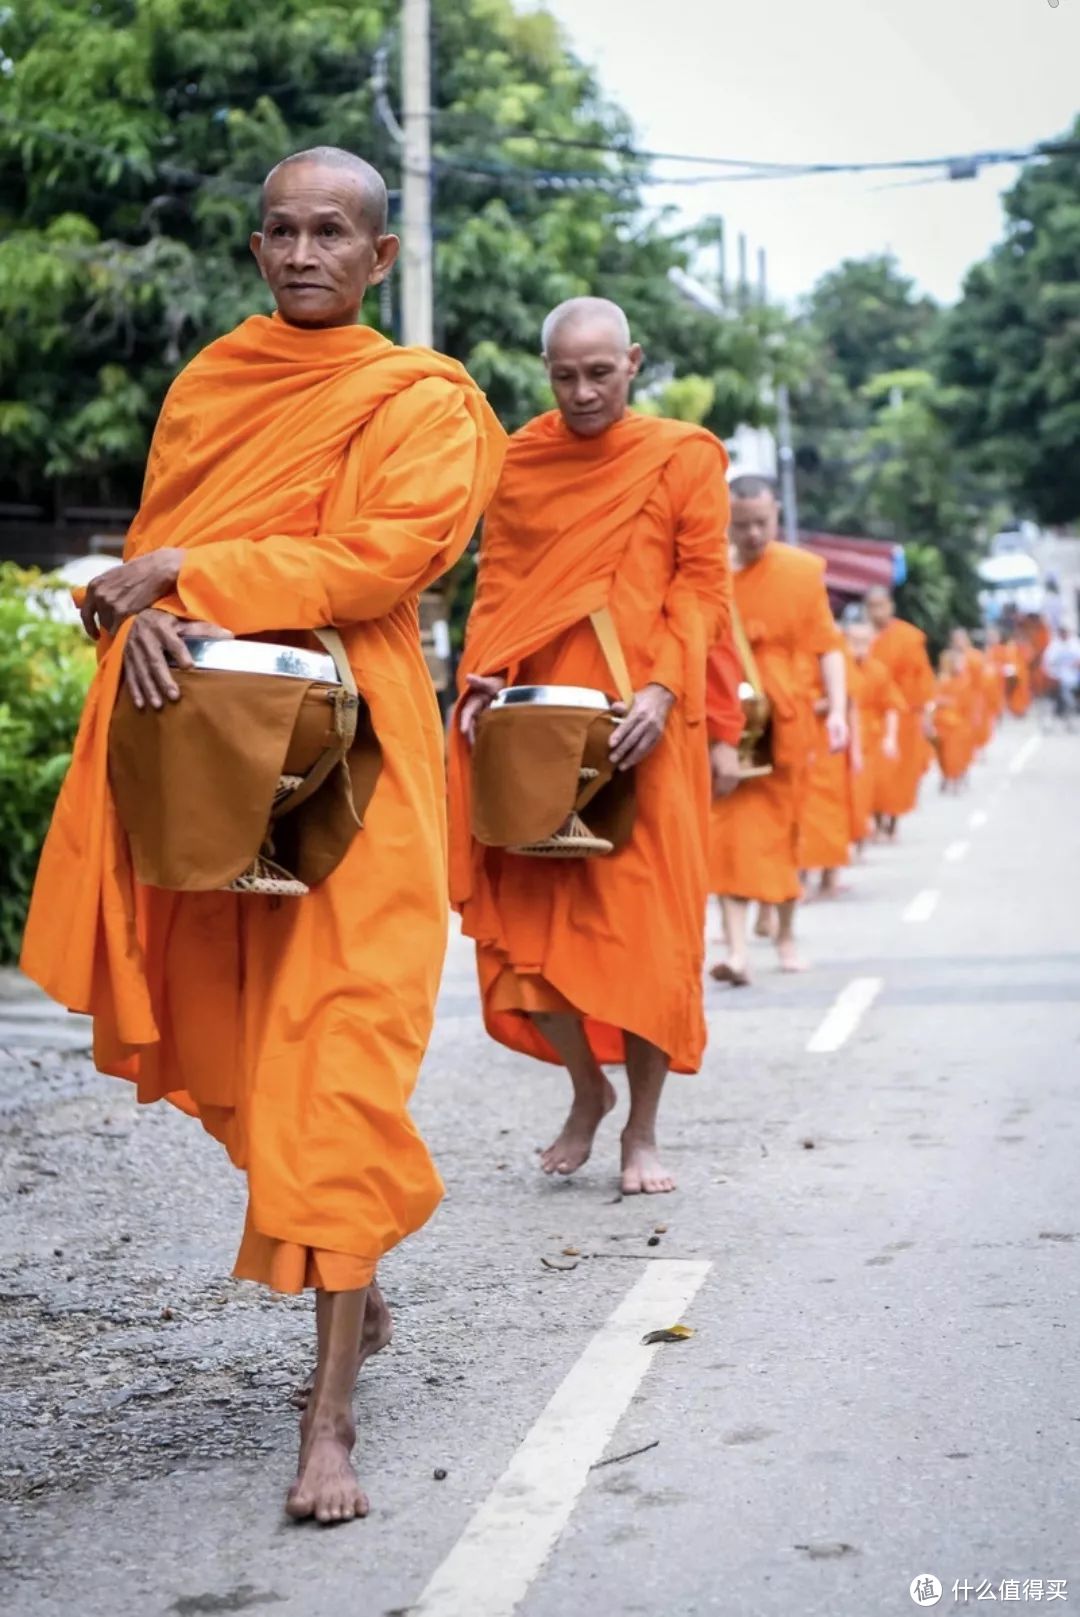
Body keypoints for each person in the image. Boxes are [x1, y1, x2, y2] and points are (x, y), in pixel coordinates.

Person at [21, 147, 506, 1524]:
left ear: (380, 259)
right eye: (282, 232)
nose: (304, 254)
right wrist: (149, 605)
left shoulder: (425, 400)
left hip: (360, 774)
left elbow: (385, 558)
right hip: (220, 757)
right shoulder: (214, 383)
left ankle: (328, 1420)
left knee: (336, 1070)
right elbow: (153, 551)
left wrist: (196, 575)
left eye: (332, 233)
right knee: (247, 1056)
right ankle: (351, 1266)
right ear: (257, 250)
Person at [449, 296, 735, 1195]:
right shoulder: (522, 459)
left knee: (648, 935)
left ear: (634, 362)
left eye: (600, 373)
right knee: (528, 922)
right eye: (565, 376)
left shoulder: (682, 457)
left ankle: (641, 1131)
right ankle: (586, 1088)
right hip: (538, 723)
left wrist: (662, 686)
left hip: (648, 726)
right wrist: (481, 674)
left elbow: (700, 589)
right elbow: (497, 584)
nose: (582, 393)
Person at [708, 477, 848, 981]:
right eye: (741, 524)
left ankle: (785, 935)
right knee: (726, 833)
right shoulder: (710, 573)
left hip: (788, 718)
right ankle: (739, 952)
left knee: (786, 832)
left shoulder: (800, 572)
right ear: (726, 519)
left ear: (777, 516)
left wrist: (838, 712)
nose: (751, 534)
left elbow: (827, 645)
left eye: (761, 523)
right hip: (729, 717)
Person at [865, 586, 935, 837]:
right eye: (872, 606)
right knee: (875, 773)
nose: (878, 612)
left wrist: (927, 714)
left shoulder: (908, 637)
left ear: (891, 607)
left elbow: (923, 677)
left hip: (905, 715)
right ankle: (876, 816)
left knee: (899, 773)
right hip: (874, 716)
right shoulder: (862, 639)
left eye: (882, 605)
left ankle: (892, 820)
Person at [844, 618, 904, 849]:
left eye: (864, 642)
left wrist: (890, 737)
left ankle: (862, 836)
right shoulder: (838, 667)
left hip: (870, 739)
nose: (859, 647)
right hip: (842, 740)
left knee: (865, 792)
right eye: (854, 641)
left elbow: (891, 706)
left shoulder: (879, 670)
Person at [933, 646, 976, 791]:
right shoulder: (943, 680)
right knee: (942, 754)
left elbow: (967, 703)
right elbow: (934, 699)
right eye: (958, 662)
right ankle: (946, 775)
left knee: (956, 752)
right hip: (942, 722)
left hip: (960, 723)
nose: (961, 666)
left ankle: (957, 776)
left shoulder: (966, 680)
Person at [1042, 621, 1080, 726]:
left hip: (1073, 678)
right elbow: (1047, 662)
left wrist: (1076, 664)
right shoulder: (1054, 645)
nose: (1064, 634)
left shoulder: (1075, 643)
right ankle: (1050, 720)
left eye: (1065, 632)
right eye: (1062, 632)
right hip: (1057, 678)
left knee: (1070, 700)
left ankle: (1070, 719)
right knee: (1053, 699)